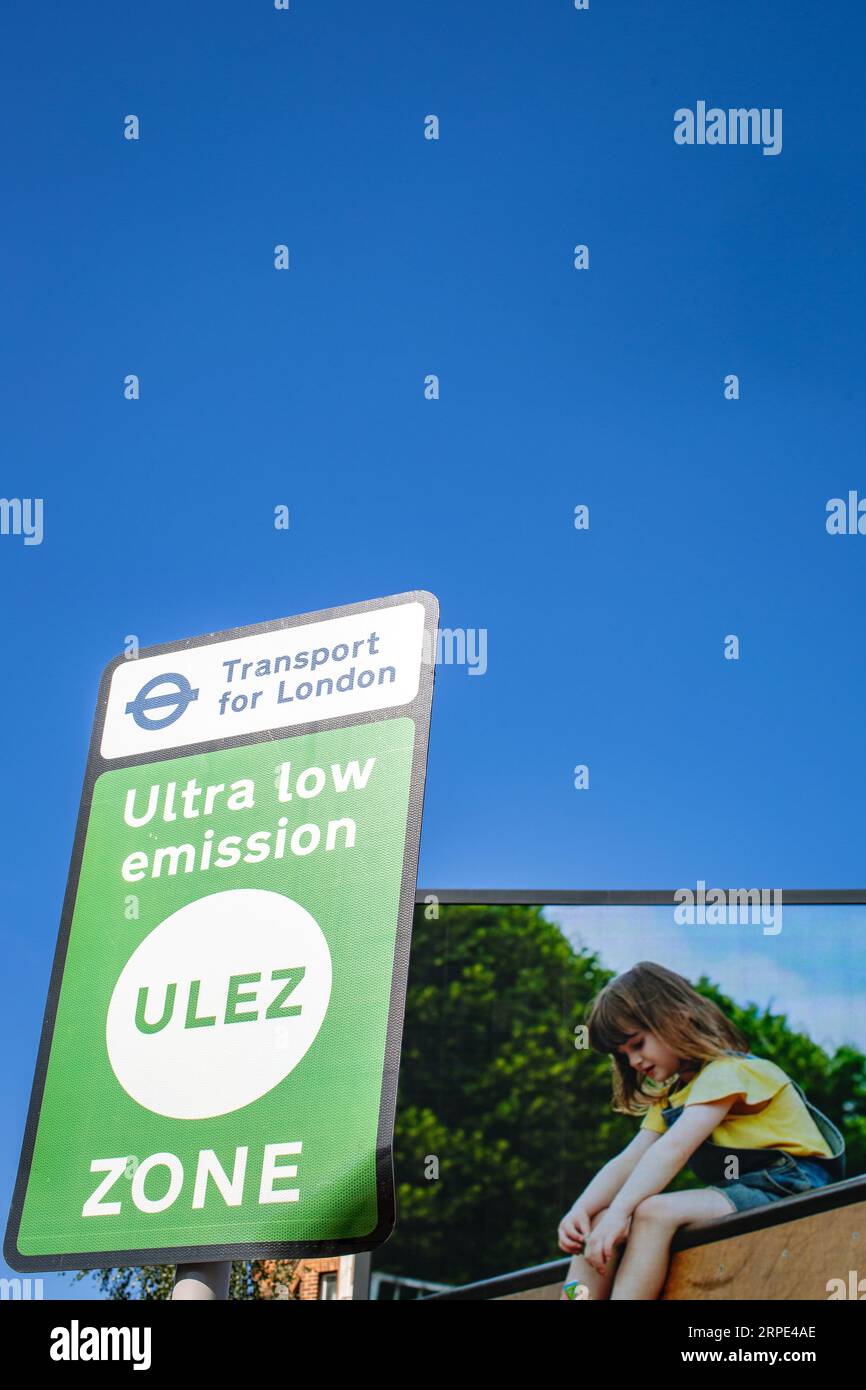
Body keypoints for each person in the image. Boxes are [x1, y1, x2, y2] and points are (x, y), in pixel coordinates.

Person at [558, 961, 846, 1301]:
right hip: (748, 1189)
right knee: (596, 1222)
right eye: (624, 1055)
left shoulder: (728, 1071)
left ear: (675, 1018)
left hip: (793, 1186)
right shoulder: (672, 1096)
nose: (634, 1062)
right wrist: (582, 1210)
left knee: (654, 1212)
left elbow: (674, 1149)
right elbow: (628, 1161)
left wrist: (621, 1213)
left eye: (638, 1044)